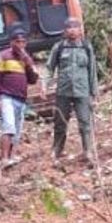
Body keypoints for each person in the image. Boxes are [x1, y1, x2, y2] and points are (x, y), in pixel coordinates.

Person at [48, 18, 98, 164]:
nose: (72, 30)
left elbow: (92, 70)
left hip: (82, 91)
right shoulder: (59, 47)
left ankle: (87, 151)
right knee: (60, 122)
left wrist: (94, 93)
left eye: (75, 27)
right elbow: (49, 67)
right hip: (63, 91)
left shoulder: (86, 47)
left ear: (80, 30)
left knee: (85, 122)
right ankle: (57, 150)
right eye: (69, 28)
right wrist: (45, 84)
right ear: (65, 31)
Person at [0, 26, 39, 166]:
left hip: (21, 98)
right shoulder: (2, 56)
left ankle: (12, 156)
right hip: (6, 97)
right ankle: (4, 158)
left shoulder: (25, 58)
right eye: (18, 42)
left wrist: (28, 62)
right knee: (9, 127)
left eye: (23, 42)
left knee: (17, 130)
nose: (21, 45)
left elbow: (33, 79)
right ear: (11, 42)